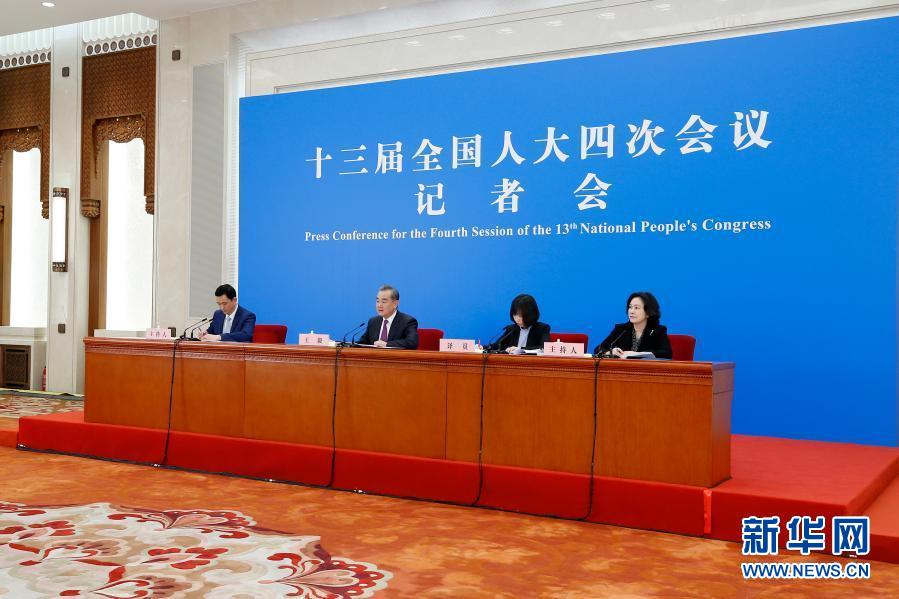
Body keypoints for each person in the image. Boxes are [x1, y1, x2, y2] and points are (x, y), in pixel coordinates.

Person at [594, 291, 672, 359]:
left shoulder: (658, 331)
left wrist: (637, 354)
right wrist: (610, 352)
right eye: (630, 307)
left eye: (636, 308)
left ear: (648, 312)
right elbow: (599, 348)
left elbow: (667, 354)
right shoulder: (621, 329)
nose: (631, 311)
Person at [356, 285, 419, 349]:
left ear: (395, 304)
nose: (379, 305)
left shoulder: (407, 322)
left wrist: (387, 344)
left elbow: (412, 342)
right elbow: (362, 343)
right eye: (377, 301)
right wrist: (351, 345)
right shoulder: (373, 321)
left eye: (384, 302)